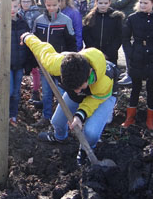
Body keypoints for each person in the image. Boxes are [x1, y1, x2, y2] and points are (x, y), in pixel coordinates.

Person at [21, 33, 117, 166]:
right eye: (73, 88)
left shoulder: (104, 82)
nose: (77, 91)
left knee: (91, 132)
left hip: (103, 96)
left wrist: (80, 115)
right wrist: (27, 37)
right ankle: (60, 138)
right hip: (85, 88)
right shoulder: (56, 64)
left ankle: (86, 150)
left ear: (88, 75)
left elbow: (93, 101)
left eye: (79, 87)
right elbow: (42, 48)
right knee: (57, 122)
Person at [121, 0, 153, 131]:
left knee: (151, 88)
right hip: (137, 54)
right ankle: (130, 118)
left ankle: (150, 120)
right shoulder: (133, 18)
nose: (142, 5)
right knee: (135, 87)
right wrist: (130, 53)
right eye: (140, 2)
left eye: (145, 3)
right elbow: (125, 38)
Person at [32, 0, 76, 127]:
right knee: (46, 93)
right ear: (44, 4)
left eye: (54, 5)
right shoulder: (39, 21)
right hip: (44, 64)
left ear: (59, 4)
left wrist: (70, 62)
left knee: (62, 93)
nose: (51, 8)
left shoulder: (66, 21)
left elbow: (71, 43)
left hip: (60, 65)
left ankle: (64, 120)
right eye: (48, 5)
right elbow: (35, 43)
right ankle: (46, 117)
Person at [112, 0, 143, 86]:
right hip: (128, 17)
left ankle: (130, 74)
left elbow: (122, 3)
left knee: (127, 47)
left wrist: (111, 1)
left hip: (126, 18)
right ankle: (128, 72)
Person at [83, 0, 123, 65]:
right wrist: (96, 52)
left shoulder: (116, 17)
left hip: (110, 55)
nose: (103, 5)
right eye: (100, 3)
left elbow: (118, 37)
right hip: (93, 54)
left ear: (109, 3)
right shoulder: (90, 17)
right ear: (96, 2)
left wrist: (108, 53)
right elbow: (86, 36)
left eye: (105, 3)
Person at [18, 0, 42, 101]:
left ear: (32, 2)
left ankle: (36, 91)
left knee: (34, 69)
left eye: (28, 1)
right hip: (20, 44)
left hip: (32, 44)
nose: (26, 4)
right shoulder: (18, 13)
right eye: (23, 1)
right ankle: (17, 91)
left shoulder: (36, 14)